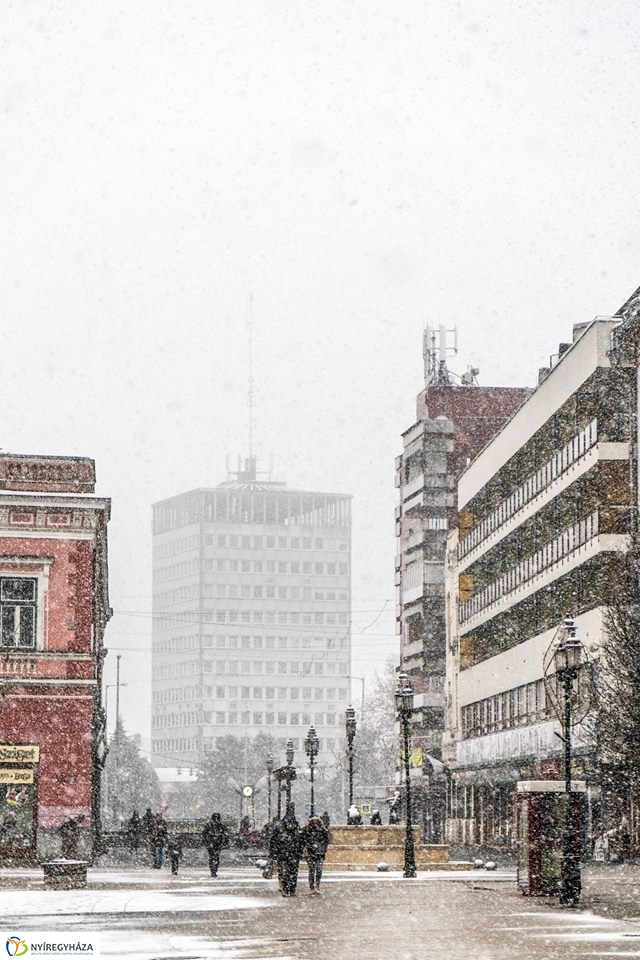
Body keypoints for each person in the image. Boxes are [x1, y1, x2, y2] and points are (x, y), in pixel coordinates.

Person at [301, 815, 330, 896]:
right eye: (313, 821)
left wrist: (322, 850)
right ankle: (312, 887)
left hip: (319, 853)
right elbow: (303, 841)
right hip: (312, 854)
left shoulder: (322, 831)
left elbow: (326, 842)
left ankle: (316, 886)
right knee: (312, 871)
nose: (315, 823)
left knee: (318, 870)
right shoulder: (307, 830)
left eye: (316, 821)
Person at [277, 812, 302, 897]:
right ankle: (285, 889)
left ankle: (292, 889)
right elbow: (275, 844)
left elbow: (301, 845)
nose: (290, 825)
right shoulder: (281, 832)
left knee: (293, 874)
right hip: (284, 856)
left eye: (291, 823)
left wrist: (299, 853)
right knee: (285, 874)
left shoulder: (297, 833)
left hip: (293, 856)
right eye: (288, 823)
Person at [202, 812, 229, 878]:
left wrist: (206, 842)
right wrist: (225, 842)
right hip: (217, 843)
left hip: (211, 844)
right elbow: (226, 834)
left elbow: (204, 834)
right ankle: (214, 870)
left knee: (212, 857)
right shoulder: (221, 825)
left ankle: (213, 870)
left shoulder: (209, 825)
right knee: (216, 857)